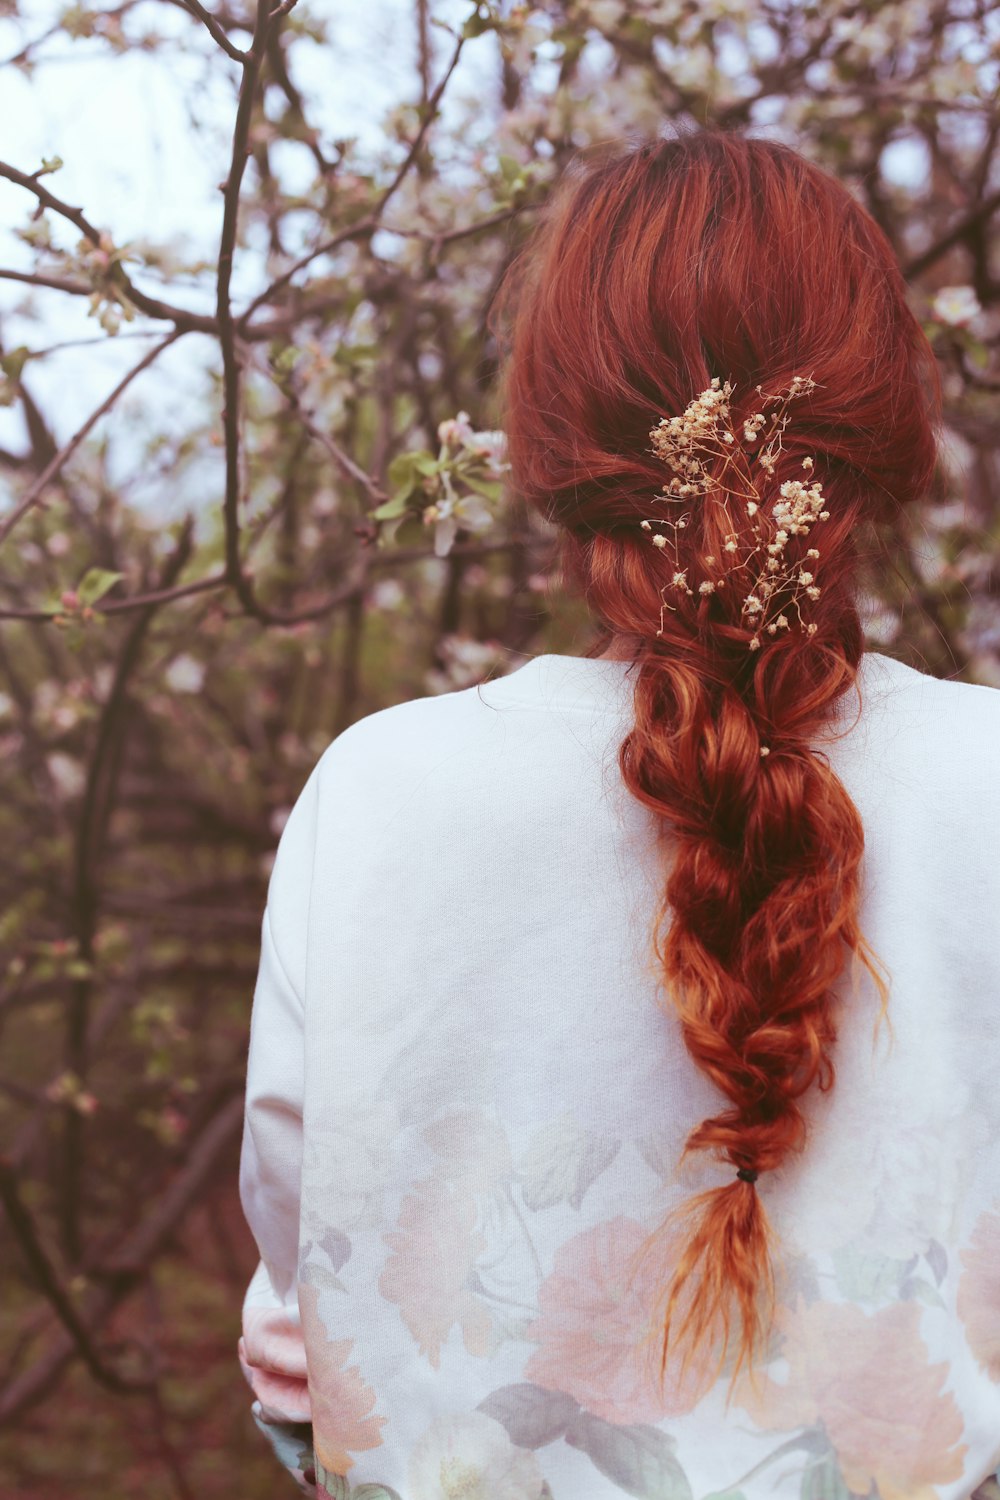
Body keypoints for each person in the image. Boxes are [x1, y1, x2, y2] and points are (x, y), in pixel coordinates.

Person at [237, 128, 1000, 1500]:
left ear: (552, 440)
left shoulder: (380, 797)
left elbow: (311, 1298)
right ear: (885, 427)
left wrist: (317, 1380)